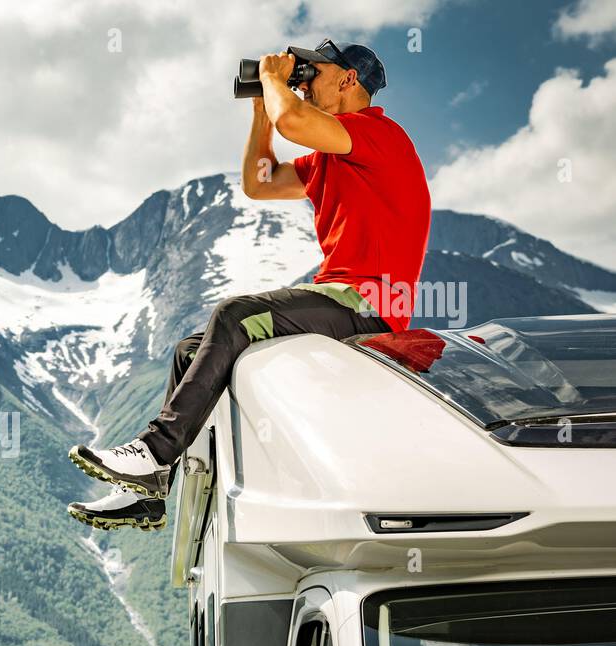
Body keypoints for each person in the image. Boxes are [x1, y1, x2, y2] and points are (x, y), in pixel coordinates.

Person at [68, 39, 430, 531]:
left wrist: (277, 82)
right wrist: (262, 108)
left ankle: (154, 450)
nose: (305, 82)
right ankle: (150, 492)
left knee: (236, 314)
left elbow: (295, 123)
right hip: (339, 297)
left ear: (348, 79)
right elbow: (260, 182)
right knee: (188, 351)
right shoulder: (332, 154)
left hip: (371, 304)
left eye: (314, 72)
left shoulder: (375, 132)